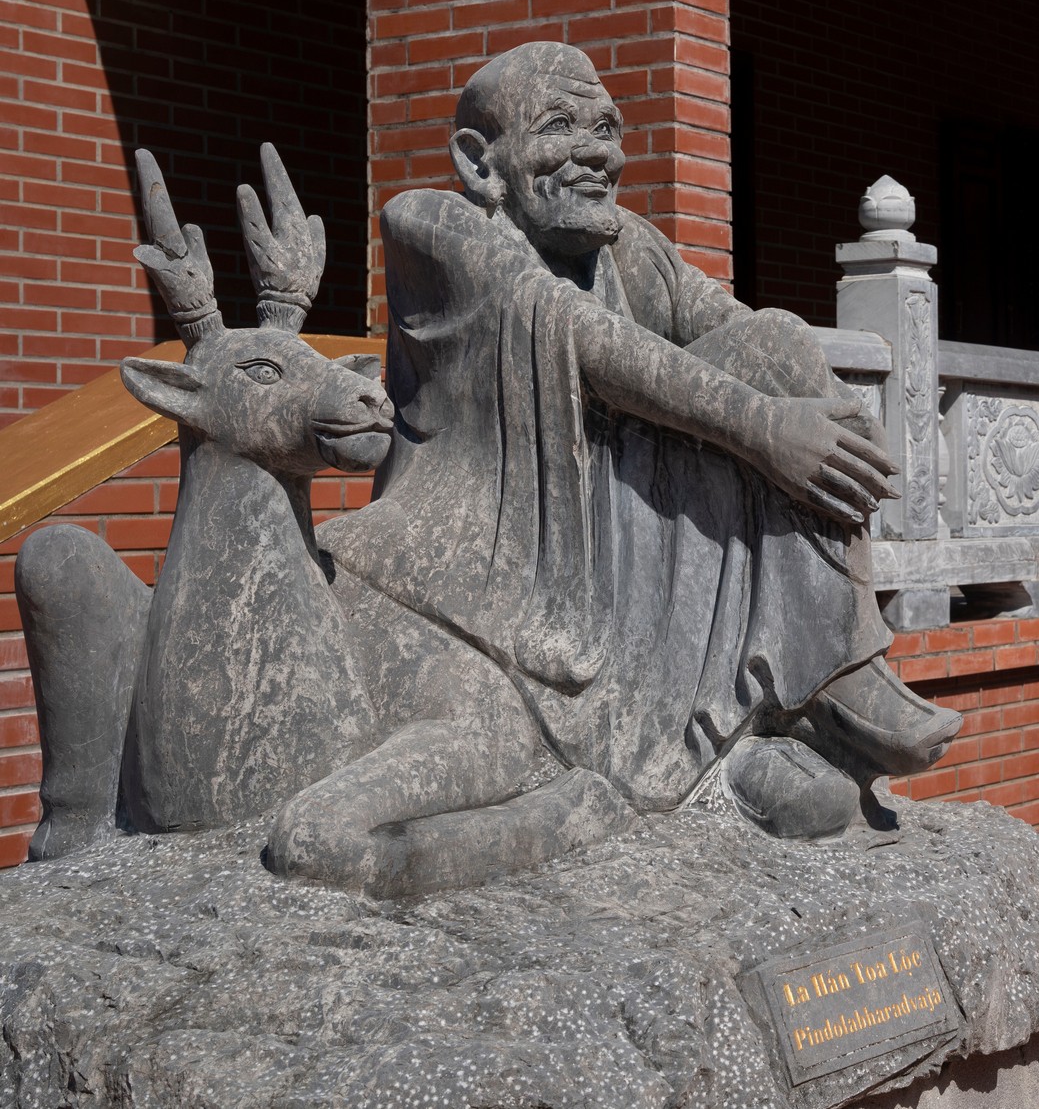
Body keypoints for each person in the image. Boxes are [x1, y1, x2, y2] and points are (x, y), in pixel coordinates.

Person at [320, 43, 958, 838]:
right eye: (560, 126)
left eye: (607, 129)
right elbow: (582, 337)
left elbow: (739, 331)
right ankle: (744, 729)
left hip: (615, 531)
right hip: (495, 556)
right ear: (480, 163)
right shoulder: (433, 225)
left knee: (779, 344)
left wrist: (824, 413)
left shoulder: (626, 249)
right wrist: (766, 428)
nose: (597, 153)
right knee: (752, 409)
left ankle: (819, 679)